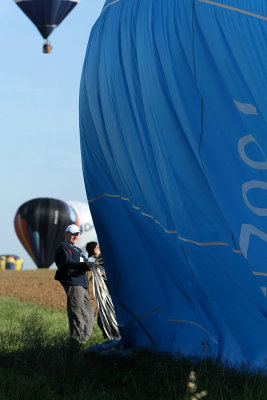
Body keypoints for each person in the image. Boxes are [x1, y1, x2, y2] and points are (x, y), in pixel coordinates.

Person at [54, 224, 94, 347]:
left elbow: (83, 264)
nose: (75, 236)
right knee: (77, 312)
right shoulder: (63, 247)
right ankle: (75, 344)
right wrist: (85, 265)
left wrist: (94, 266)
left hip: (82, 284)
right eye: (72, 233)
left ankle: (84, 341)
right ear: (66, 234)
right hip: (73, 282)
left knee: (89, 312)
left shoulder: (78, 250)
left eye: (77, 234)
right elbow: (68, 262)